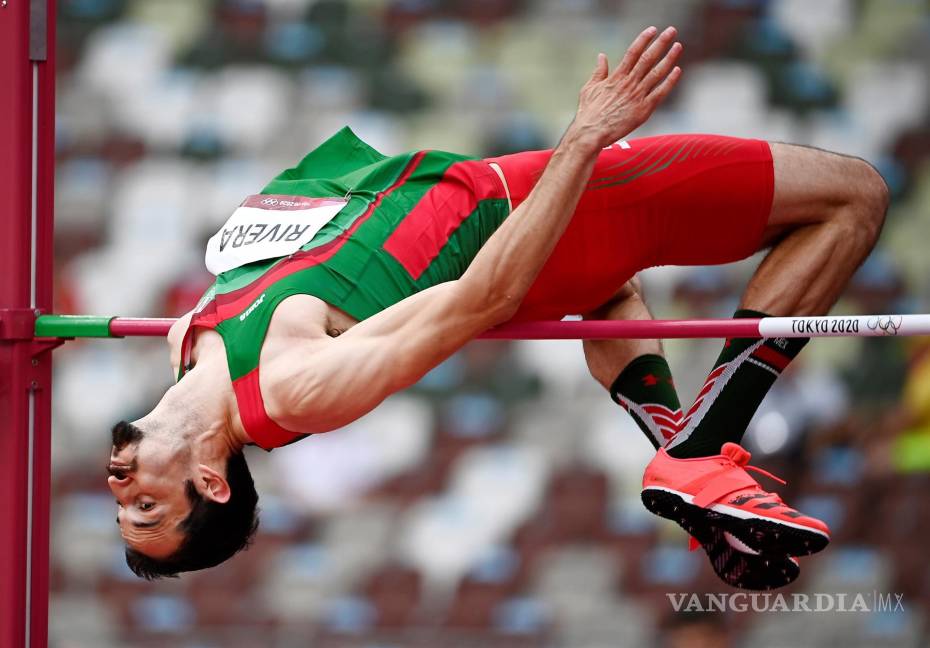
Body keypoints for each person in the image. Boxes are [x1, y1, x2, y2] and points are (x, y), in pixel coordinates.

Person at [107, 26, 889, 589]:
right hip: (528, 205)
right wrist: (583, 141)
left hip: (515, 212)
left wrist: (204, 324)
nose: (119, 486)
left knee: (610, 292)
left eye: (123, 504)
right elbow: (486, 298)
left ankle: (688, 472)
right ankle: (701, 451)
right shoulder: (291, 388)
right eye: (146, 503)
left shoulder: (187, 350)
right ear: (211, 479)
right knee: (853, 197)